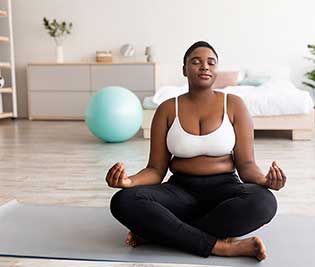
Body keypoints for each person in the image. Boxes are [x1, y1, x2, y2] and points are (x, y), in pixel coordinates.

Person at [107, 41, 286, 261]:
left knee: (264, 202)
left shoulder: (234, 105)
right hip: (179, 191)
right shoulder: (166, 109)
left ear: (217, 70)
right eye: (196, 61)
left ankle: (159, 234)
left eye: (211, 62)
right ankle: (223, 247)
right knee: (123, 201)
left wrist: (265, 180)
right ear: (184, 69)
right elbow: (155, 170)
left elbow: (247, 166)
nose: (205, 66)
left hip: (224, 191)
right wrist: (128, 182)